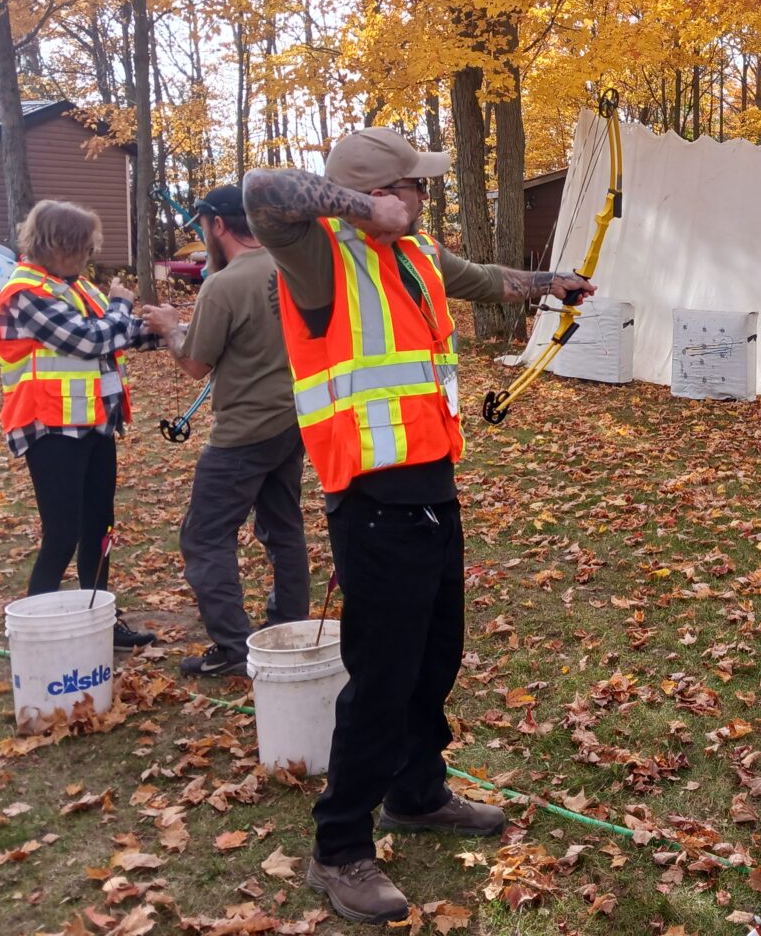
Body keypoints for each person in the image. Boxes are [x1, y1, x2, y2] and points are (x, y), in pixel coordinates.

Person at [243, 128, 593, 924]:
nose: (424, 196)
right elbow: (263, 191)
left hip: (432, 486)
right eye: (413, 185)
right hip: (372, 502)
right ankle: (339, 847)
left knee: (436, 656)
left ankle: (417, 791)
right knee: (383, 676)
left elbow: (488, 280)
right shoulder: (319, 257)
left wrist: (553, 282)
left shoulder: (418, 253)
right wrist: (363, 209)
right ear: (377, 193)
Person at [139, 184, 310, 678]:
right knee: (284, 527)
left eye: (201, 225)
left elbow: (195, 364)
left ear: (217, 224)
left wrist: (171, 327)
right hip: (292, 420)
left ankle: (235, 648)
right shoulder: (291, 267)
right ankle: (289, 628)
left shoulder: (224, 284)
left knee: (205, 535)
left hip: (244, 432)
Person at [0, 199, 159, 648]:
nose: (88, 256)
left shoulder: (75, 287)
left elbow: (120, 334)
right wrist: (120, 306)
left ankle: (100, 620)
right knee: (62, 533)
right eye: (83, 247)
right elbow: (88, 339)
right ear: (57, 245)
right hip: (50, 428)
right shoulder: (26, 294)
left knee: (100, 527)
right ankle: (33, 633)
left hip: (95, 424)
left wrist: (170, 330)